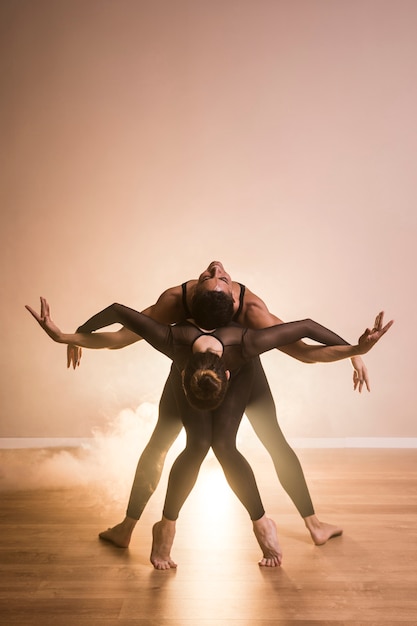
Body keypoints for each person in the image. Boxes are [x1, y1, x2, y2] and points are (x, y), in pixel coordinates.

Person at [26, 297, 392, 568]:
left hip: (245, 374)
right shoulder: (174, 339)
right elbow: (121, 316)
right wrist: (68, 336)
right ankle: (138, 528)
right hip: (204, 373)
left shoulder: (247, 338)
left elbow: (308, 333)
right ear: (180, 377)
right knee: (189, 442)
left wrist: (357, 350)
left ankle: (290, 525)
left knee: (233, 444)